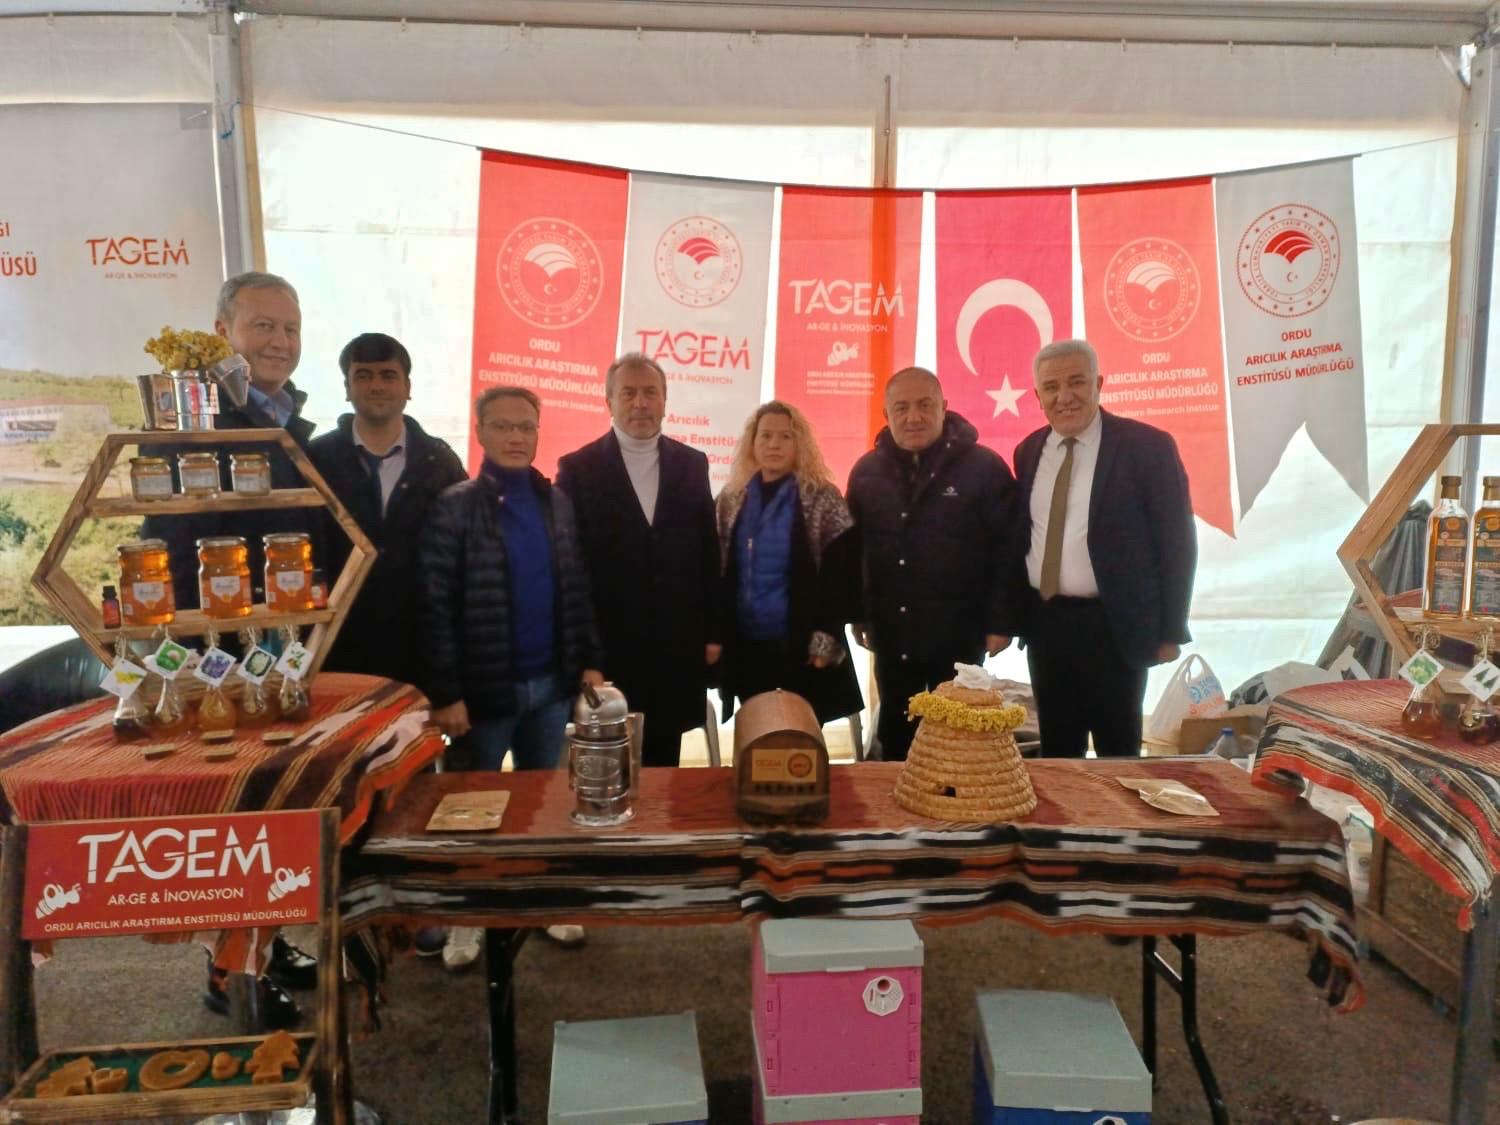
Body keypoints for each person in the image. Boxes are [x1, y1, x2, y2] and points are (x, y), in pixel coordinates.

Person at [142, 271, 317, 1028]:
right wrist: (192, 642)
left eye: (290, 328)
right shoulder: (196, 413)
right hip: (215, 637)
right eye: (262, 326)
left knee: (272, 798)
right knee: (234, 804)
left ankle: (264, 943)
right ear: (222, 332)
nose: (280, 341)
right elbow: (174, 534)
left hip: (272, 634)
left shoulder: (285, 418)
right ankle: (227, 970)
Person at [420, 385, 603, 965]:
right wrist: (446, 693)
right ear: (480, 432)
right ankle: (469, 917)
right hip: (483, 691)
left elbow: (577, 585)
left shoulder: (558, 502)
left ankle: (539, 900)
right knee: (470, 809)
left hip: (550, 684)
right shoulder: (454, 506)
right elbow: (434, 606)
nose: (516, 437)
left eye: (526, 426)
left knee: (542, 801)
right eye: (503, 426)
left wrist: (589, 660)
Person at [1012, 339, 1196, 758]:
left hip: (1115, 627)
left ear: (1099, 384)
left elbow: (1176, 543)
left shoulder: (1147, 447)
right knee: (1058, 751)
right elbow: (1022, 538)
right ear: (1037, 396)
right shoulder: (1028, 452)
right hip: (1046, 626)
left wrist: (1170, 630)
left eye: (1077, 382)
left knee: (1118, 753)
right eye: (1051, 387)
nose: (1065, 396)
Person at [555, 353, 721, 767]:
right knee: (608, 765)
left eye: (650, 393)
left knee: (665, 763)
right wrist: (583, 653)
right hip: (609, 647)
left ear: (665, 400)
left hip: (676, 642)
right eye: (628, 393)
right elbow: (570, 569)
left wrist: (713, 632)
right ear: (609, 402)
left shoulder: (692, 464)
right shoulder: (577, 469)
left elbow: (707, 550)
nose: (640, 403)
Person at [845, 367, 1017, 762]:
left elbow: (1008, 551)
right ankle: (899, 800)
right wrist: (858, 614)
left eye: (925, 405)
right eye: (901, 408)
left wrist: (1002, 621)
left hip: (960, 634)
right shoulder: (866, 473)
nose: (914, 417)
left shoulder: (984, 468)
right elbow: (853, 552)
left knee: (959, 740)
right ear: (887, 415)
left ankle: (960, 802)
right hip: (893, 634)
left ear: (944, 407)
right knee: (897, 734)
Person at [306, 333, 466, 682]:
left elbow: (463, 555)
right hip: (336, 645)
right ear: (346, 388)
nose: (376, 386)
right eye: (363, 375)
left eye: (388, 375)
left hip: (422, 646)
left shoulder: (441, 462)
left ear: (408, 387)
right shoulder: (314, 460)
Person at [713, 401, 862, 726]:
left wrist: (827, 638)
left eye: (785, 436)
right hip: (746, 646)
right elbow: (717, 574)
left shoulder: (823, 499)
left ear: (800, 444)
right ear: (752, 443)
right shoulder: (731, 499)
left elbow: (841, 577)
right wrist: (715, 634)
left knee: (799, 737)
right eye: (766, 436)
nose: (774, 444)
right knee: (755, 732)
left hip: (802, 648)